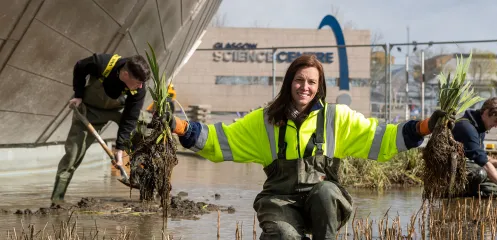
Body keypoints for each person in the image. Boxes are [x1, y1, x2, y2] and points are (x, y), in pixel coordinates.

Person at [164, 55, 452, 239]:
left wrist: (424, 127)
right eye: (299, 80)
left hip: (323, 205)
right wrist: (179, 126)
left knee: (326, 190)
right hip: (279, 202)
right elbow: (219, 140)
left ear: (319, 86)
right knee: (285, 237)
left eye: (311, 82)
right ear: (289, 82)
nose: (305, 87)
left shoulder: (337, 118)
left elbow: (382, 137)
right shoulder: (265, 121)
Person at [50, 53, 151, 205]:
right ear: (125, 75)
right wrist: (78, 95)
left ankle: (149, 191)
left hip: (119, 111)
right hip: (90, 111)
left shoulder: (139, 89)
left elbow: (130, 117)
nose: (141, 86)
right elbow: (79, 66)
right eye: (138, 82)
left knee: (143, 132)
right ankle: (57, 200)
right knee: (72, 155)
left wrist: (120, 147)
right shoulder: (102, 63)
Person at [451, 97, 497, 203]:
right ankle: (456, 191)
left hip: (463, 168)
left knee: (495, 191)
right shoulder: (467, 128)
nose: (496, 125)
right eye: (496, 120)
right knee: (481, 173)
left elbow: (483, 157)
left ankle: (470, 192)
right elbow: (485, 164)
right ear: (486, 113)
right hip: (451, 171)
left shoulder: (480, 127)